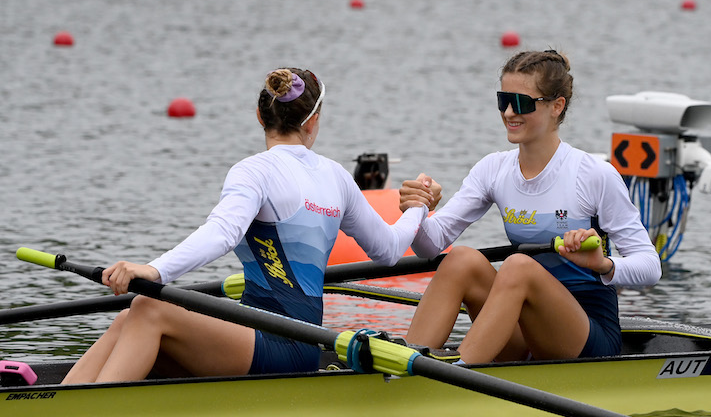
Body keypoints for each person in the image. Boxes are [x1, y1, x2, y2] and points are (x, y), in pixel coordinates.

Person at [61, 68, 431, 384]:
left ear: (259, 115)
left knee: (147, 307)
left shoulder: (254, 171)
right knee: (131, 315)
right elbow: (389, 250)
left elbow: (223, 233)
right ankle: (61, 405)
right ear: (314, 120)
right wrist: (418, 207)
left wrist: (154, 269)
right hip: (292, 339)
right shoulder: (337, 178)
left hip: (282, 346)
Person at [399, 50, 661, 364]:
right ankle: (402, 368)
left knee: (518, 266)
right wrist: (419, 209)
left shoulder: (593, 175)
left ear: (556, 106)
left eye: (522, 102)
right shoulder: (493, 169)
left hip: (587, 336)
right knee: (461, 260)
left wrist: (604, 265)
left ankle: (457, 375)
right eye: (503, 100)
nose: (509, 112)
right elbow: (429, 246)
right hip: (524, 327)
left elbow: (650, 266)